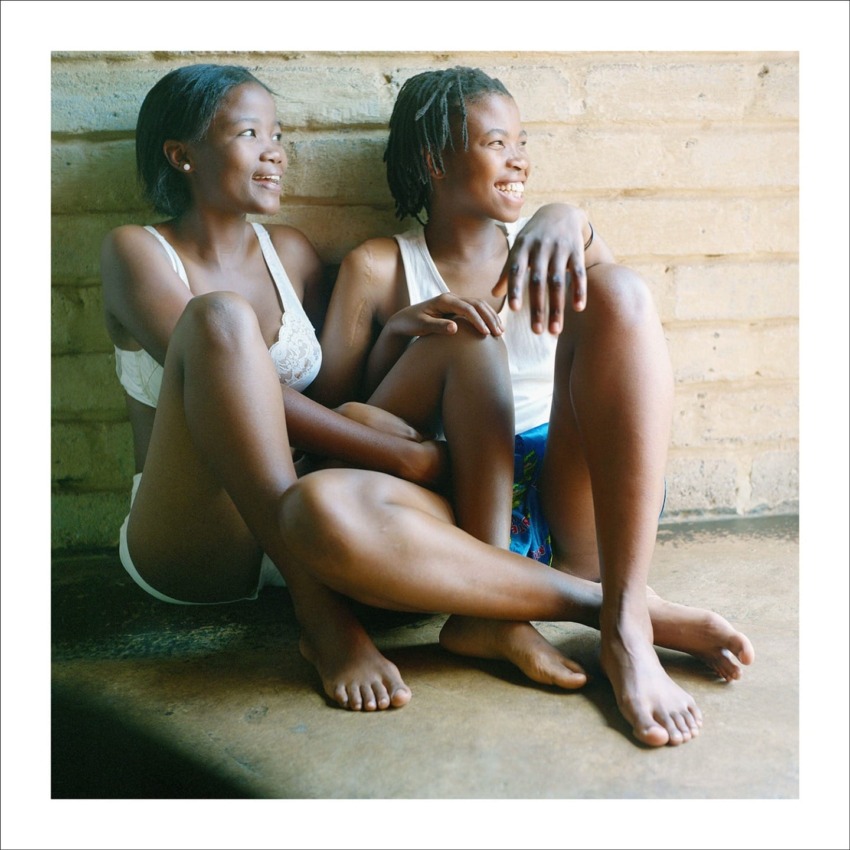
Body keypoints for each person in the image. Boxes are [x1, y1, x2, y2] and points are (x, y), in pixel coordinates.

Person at [283, 66, 755, 747]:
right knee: (313, 510)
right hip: (453, 507)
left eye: (524, 142)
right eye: (497, 142)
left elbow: (627, 350)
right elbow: (332, 426)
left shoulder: (552, 248)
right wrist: (397, 337)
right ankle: (577, 612)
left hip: (572, 500)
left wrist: (575, 223)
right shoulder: (378, 266)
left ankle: (625, 623)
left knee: (620, 291)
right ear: (433, 160)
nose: (520, 158)